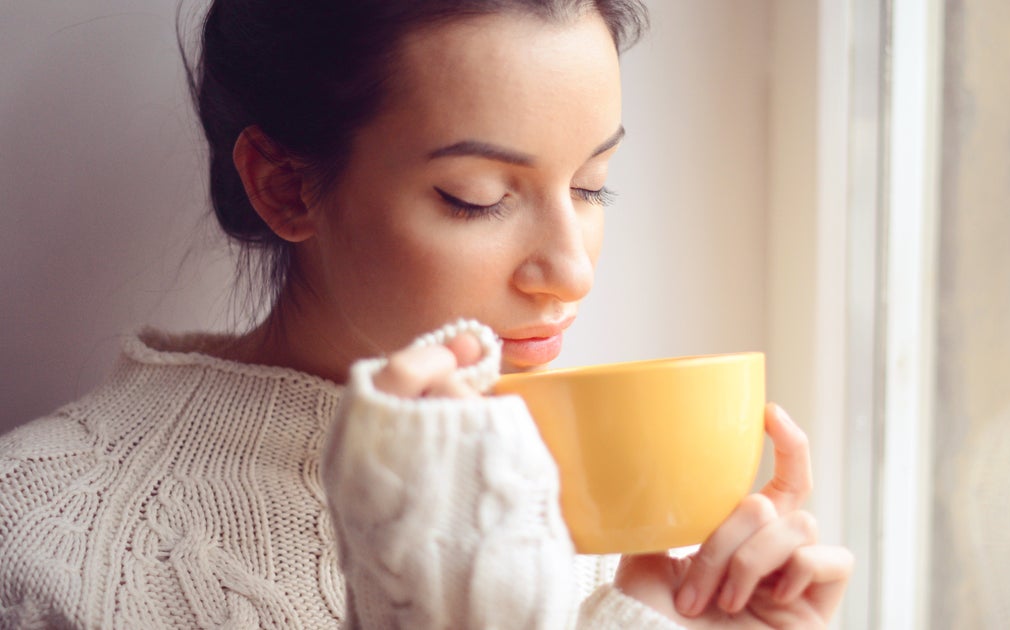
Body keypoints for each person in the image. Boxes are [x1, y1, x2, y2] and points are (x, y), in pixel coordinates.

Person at [0, 0, 853, 627]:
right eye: (476, 198)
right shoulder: (42, 536)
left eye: (594, 185)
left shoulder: (633, 528)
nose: (571, 270)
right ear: (284, 184)